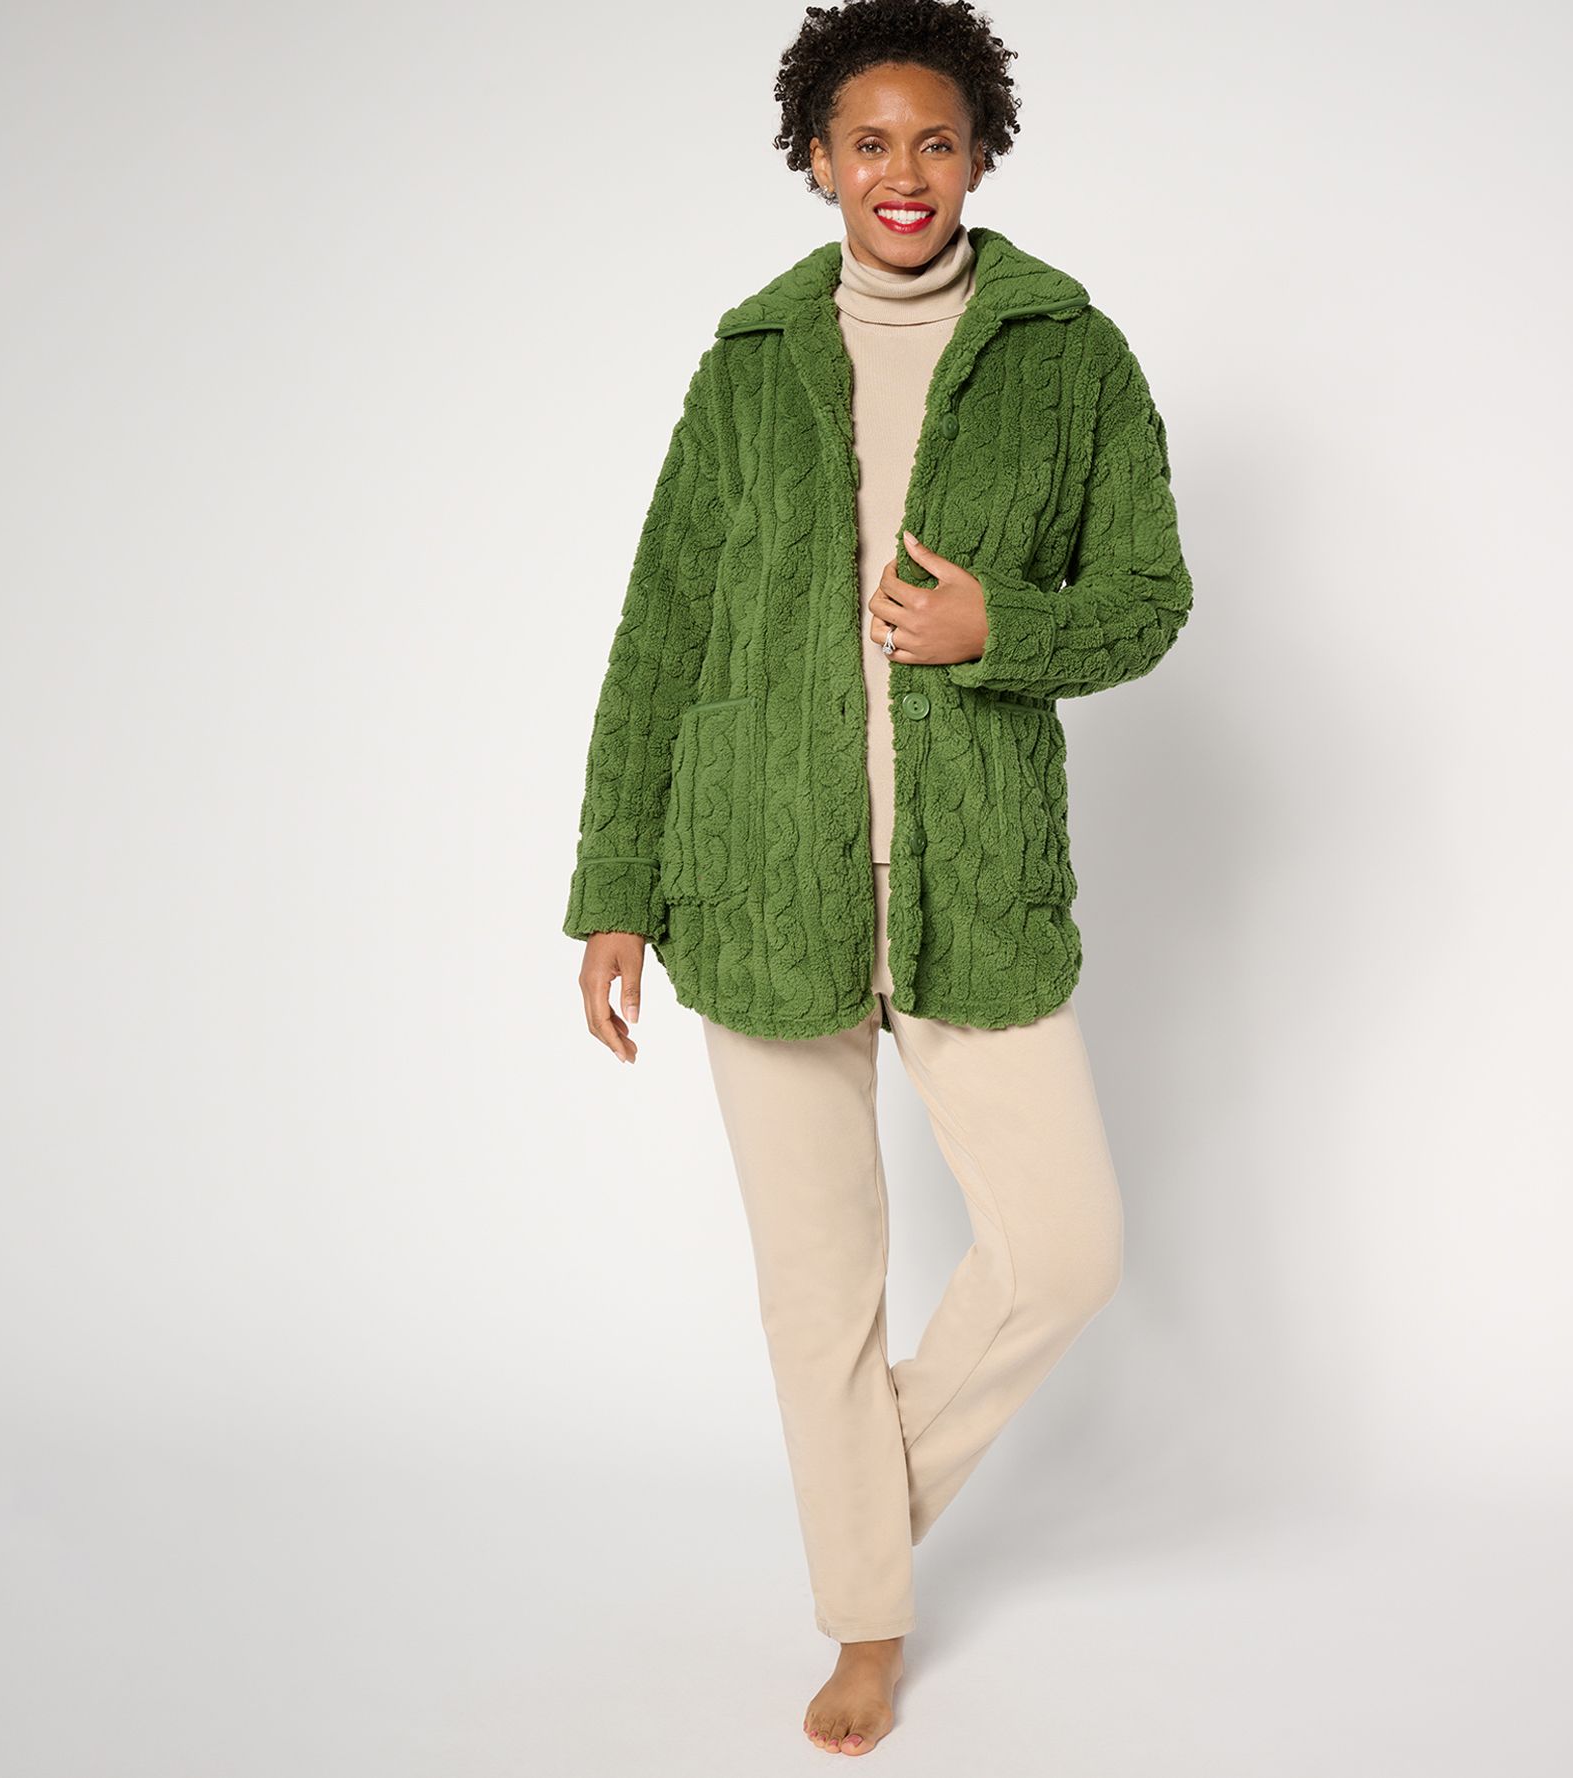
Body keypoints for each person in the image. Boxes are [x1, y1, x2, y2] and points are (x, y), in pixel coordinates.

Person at [564, 0, 1194, 1754]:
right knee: (817, 1288)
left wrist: (1005, 630)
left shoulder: (1069, 352)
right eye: (866, 142)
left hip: (972, 884)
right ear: (815, 159)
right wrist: (616, 885)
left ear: (979, 154)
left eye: (933, 140)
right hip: (758, 876)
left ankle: (861, 1507)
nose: (900, 172)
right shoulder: (749, 358)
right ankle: (868, 1619)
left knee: (1065, 1246)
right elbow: (660, 629)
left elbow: (1148, 597)